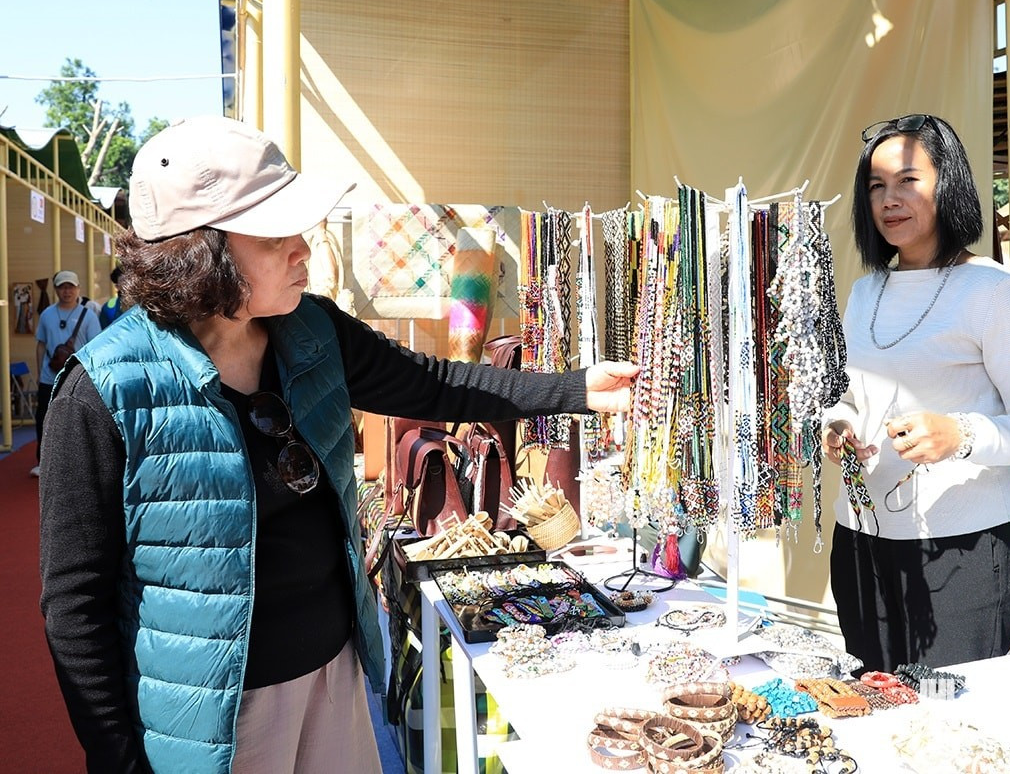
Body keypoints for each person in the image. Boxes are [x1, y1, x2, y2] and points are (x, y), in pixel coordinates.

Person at [38, 115, 638, 774]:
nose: (303, 249)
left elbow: (433, 385)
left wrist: (578, 389)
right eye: (276, 235)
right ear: (200, 253)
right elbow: (75, 604)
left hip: (335, 680)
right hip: (210, 724)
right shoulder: (102, 390)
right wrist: (118, 760)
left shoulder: (311, 330)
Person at [820, 113, 1010, 673]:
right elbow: (851, 398)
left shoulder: (997, 290)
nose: (890, 199)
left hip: (963, 549)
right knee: (874, 711)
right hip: (861, 541)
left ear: (948, 183)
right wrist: (835, 426)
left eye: (909, 180)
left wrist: (960, 434)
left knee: (951, 725)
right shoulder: (865, 293)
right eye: (876, 186)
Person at [32, 269, 101, 478]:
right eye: (62, 287)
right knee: (43, 418)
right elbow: (41, 345)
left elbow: (95, 347)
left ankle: (77, 464)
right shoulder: (46, 315)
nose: (67, 291)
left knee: (77, 421)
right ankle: (43, 462)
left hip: (77, 378)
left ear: (78, 288)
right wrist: (38, 374)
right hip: (48, 377)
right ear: (56, 290)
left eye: (70, 286)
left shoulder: (88, 315)